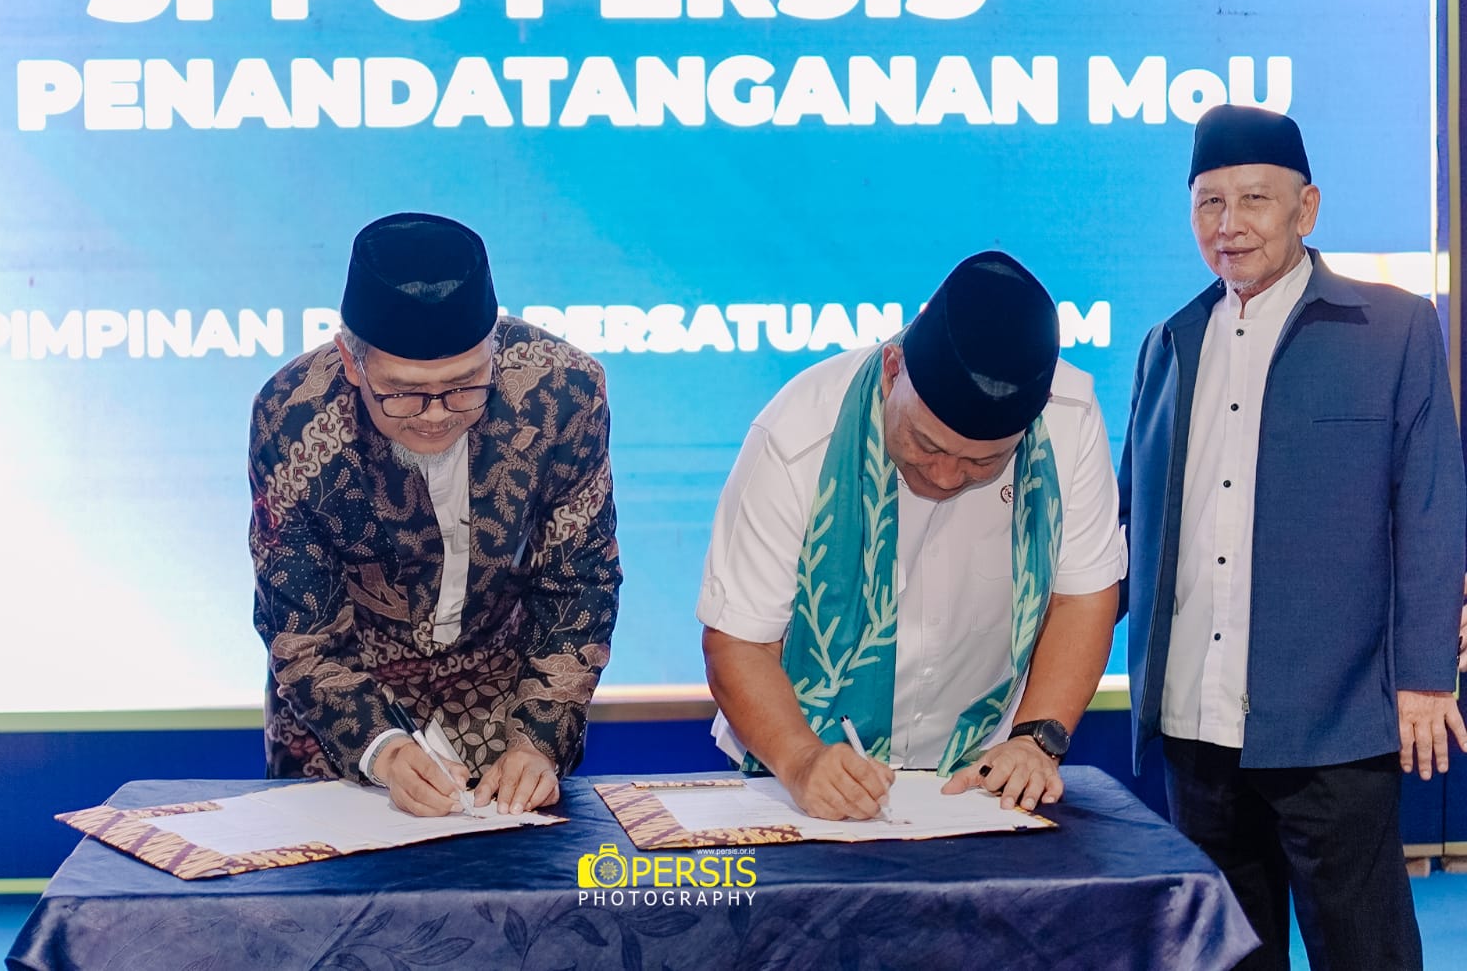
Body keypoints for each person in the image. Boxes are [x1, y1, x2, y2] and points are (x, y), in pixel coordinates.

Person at [1120, 103, 1467, 971]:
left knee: (1365, 951)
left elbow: (1430, 504)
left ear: (1306, 208)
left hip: (1333, 723)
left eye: (1254, 199)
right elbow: (1132, 523)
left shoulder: (1392, 328)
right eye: (1209, 202)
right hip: (1196, 723)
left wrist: (1426, 675)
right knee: (1225, 957)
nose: (1229, 224)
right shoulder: (1168, 343)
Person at [698, 251, 1126, 821]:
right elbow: (739, 643)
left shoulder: (1069, 417)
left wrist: (1033, 741)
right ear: (893, 369)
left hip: (977, 778)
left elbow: (1082, 596)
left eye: (982, 463)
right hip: (800, 774)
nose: (946, 477)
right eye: (926, 444)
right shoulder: (799, 436)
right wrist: (802, 762)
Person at [248, 212, 621, 817]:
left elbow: (579, 580)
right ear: (351, 362)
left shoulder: (564, 393)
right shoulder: (291, 418)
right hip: (344, 725)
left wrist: (538, 741)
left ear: (493, 348)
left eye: (465, 385)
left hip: (509, 716)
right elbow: (302, 631)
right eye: (403, 393)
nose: (436, 414)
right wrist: (384, 750)